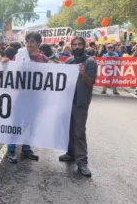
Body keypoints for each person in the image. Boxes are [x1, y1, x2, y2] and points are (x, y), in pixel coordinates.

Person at [1, 32, 48, 163]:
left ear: (38, 43)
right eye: (27, 41)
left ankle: (26, 148)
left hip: (35, 98)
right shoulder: (20, 55)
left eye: (32, 41)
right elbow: (11, 70)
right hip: (20, 96)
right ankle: (11, 149)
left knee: (30, 124)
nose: (29, 44)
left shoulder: (43, 59)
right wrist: (6, 63)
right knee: (16, 123)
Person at [59, 36, 97, 177]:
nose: (77, 47)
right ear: (71, 46)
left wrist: (83, 74)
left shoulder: (90, 62)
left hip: (81, 103)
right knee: (69, 129)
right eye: (74, 44)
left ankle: (82, 162)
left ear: (84, 45)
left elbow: (90, 82)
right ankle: (70, 153)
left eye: (79, 44)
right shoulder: (69, 61)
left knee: (79, 132)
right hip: (68, 102)